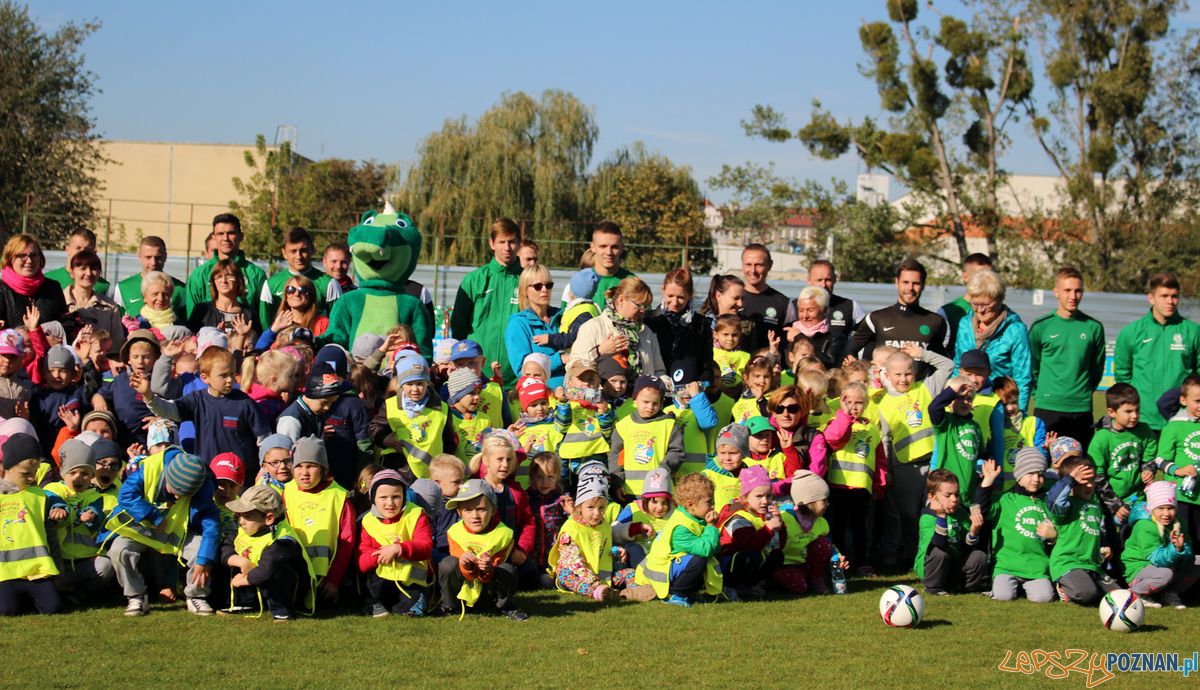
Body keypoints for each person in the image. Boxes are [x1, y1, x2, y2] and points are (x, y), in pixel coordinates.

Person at [102, 447, 220, 616]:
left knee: (201, 551)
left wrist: (204, 559)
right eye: (176, 492)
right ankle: (137, 596)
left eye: (186, 495)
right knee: (118, 550)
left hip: (177, 536)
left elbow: (211, 525)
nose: (179, 498)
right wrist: (153, 516)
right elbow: (126, 495)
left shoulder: (203, 483)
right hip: (141, 530)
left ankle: (196, 596)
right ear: (167, 478)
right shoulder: (149, 468)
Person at [876, 346, 955, 567]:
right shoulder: (883, 403)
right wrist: (889, 471)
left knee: (931, 511)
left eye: (908, 373)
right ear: (888, 375)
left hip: (933, 463)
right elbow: (885, 440)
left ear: (916, 372)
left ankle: (930, 552)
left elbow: (948, 366)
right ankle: (907, 555)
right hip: (905, 468)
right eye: (898, 374)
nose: (903, 379)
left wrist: (922, 354)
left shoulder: (926, 388)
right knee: (907, 515)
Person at [137, 346, 270, 471]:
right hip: (208, 473)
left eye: (232, 373)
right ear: (205, 378)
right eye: (223, 375)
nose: (230, 379)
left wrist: (265, 467)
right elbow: (168, 410)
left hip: (241, 476)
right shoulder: (197, 400)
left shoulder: (244, 402)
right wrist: (148, 395)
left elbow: (263, 438)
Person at [1028, 266, 1106, 445]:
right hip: (1047, 406)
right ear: (1056, 292)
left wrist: (1082, 392)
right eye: (1067, 290)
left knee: (1079, 466)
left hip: (1081, 407)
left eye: (1078, 291)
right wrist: (1043, 393)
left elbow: (1097, 368)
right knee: (1043, 463)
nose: (1073, 296)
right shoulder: (1042, 326)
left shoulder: (1093, 327)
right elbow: (1033, 365)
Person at [1114, 272, 1200, 431]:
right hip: (1143, 422)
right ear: (1151, 298)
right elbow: (1122, 376)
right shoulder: (1131, 332)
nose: (1170, 301)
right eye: (1164, 296)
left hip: (1181, 421)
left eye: (1174, 296)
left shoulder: (1193, 332)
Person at [437, 478, 527, 620]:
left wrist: (489, 568)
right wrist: (465, 565)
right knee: (447, 564)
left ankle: (506, 607)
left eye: (481, 509)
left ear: (493, 510)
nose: (475, 516)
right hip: (463, 588)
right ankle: (449, 605)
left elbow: (495, 567)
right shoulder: (454, 532)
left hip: (488, 590)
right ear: (459, 512)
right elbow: (458, 565)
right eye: (468, 510)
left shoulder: (504, 534)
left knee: (507, 569)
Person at [221, 484, 314, 620]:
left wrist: (243, 580)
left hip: (293, 591)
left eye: (247, 516)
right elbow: (226, 546)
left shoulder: (283, 541)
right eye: (240, 515)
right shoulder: (249, 527)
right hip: (258, 576)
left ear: (268, 518)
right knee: (231, 558)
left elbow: (267, 570)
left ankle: (283, 610)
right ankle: (244, 603)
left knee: (279, 570)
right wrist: (240, 561)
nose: (241, 521)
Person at [547, 464, 638, 602]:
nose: (597, 513)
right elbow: (575, 563)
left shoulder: (604, 526)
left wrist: (614, 551)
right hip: (579, 576)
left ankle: (632, 592)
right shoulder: (571, 529)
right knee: (565, 575)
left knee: (630, 573)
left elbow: (599, 550)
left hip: (603, 578)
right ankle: (596, 592)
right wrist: (595, 583)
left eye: (601, 508)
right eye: (590, 507)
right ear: (579, 507)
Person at [281, 437, 355, 603]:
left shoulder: (339, 496)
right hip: (295, 573)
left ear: (323, 469)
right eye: (299, 466)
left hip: (326, 577)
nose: (304, 472)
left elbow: (346, 542)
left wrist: (334, 579)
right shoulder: (287, 492)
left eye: (311, 466)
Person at [632, 472, 723, 607]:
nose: (713, 506)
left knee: (699, 559)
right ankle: (678, 595)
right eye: (709, 502)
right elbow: (706, 550)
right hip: (658, 576)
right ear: (691, 504)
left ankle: (689, 592)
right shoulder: (681, 527)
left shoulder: (692, 516)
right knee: (698, 560)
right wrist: (711, 526)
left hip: (671, 567)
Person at [450, 218, 523, 386]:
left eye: (512, 242)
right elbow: (459, 326)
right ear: (492, 244)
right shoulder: (474, 280)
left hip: (515, 377)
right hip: (476, 375)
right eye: (501, 242)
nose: (507, 247)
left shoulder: (527, 280)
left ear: (519, 244)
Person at [984, 448, 1057, 603]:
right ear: (1018, 475)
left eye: (1041, 475)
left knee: (1044, 598)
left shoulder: (1048, 502)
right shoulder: (1005, 499)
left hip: (1037, 567)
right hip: (1007, 565)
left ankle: (1026, 587)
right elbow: (982, 509)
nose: (1036, 479)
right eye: (1030, 473)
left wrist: (1053, 537)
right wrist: (987, 482)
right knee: (1004, 596)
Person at [952, 270, 1032, 411]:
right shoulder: (965, 324)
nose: (980, 310)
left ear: (999, 300)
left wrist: (1020, 416)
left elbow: (1022, 379)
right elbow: (958, 366)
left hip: (1000, 406)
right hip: (965, 404)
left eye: (986, 304)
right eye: (975, 304)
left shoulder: (1015, 331)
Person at [357, 469, 433, 617]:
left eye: (396, 497)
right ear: (373, 499)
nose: (390, 503)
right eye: (383, 497)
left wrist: (399, 549)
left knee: (412, 603)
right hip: (382, 580)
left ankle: (413, 605)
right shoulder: (368, 520)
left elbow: (425, 547)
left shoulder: (416, 514)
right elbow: (361, 560)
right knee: (371, 584)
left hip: (410, 582)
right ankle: (374, 604)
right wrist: (379, 555)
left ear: (404, 497)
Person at [0, 435, 61, 616]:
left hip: (37, 572)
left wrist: (58, 568)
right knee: (6, 611)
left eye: (35, 472)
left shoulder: (39, 495)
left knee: (54, 608)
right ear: (6, 468)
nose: (32, 477)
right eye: (25, 473)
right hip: (5, 573)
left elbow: (51, 535)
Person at [848, 258, 949, 367]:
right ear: (897, 283)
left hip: (921, 384)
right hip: (882, 384)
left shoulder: (936, 322)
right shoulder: (877, 318)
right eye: (905, 282)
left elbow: (942, 362)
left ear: (923, 285)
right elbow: (849, 351)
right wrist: (863, 374)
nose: (910, 288)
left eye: (916, 283)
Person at [1046, 452, 1114, 605]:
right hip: (1068, 564)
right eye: (1083, 481)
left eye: (1092, 480)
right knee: (1087, 594)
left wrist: (1103, 546)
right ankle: (1063, 587)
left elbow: (1097, 531)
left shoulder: (1095, 505)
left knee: (1118, 597)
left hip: (1092, 566)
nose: (1089, 485)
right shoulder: (1066, 505)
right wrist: (1069, 480)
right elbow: (1053, 500)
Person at [1122, 481, 1200, 609]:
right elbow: (1156, 559)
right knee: (1165, 573)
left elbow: (1187, 549)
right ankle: (1136, 592)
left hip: (1167, 565)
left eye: (1170, 508)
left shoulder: (1179, 523)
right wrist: (1176, 549)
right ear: (1152, 509)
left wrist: (1181, 550)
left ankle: (1168, 593)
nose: (1166, 513)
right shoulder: (1145, 525)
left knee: (1198, 562)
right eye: (1161, 508)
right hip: (1140, 566)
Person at [570, 277, 665, 379]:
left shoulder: (646, 332)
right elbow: (572, 367)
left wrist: (664, 382)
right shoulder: (592, 327)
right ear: (621, 300)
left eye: (646, 306)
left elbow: (658, 370)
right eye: (639, 305)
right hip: (602, 394)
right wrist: (599, 351)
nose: (643, 311)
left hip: (641, 393)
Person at [1088, 383, 1157, 525]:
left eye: (1137, 410)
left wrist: (1148, 469)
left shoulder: (1144, 430)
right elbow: (1097, 476)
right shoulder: (1102, 438)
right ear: (1111, 412)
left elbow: (1150, 458)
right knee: (1111, 542)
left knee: (1141, 531)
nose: (1135, 416)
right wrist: (1115, 505)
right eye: (1128, 411)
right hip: (1108, 501)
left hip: (1138, 498)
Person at [609, 375, 685, 500]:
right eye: (646, 402)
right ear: (634, 401)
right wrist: (617, 482)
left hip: (659, 490)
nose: (650, 407)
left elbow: (677, 452)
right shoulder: (623, 425)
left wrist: (662, 471)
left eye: (655, 403)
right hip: (629, 491)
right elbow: (616, 456)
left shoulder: (669, 424)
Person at [715, 465, 785, 599]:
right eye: (759, 496)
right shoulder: (738, 516)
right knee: (749, 555)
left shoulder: (761, 513)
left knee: (777, 555)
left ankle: (748, 586)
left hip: (750, 558)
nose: (765, 501)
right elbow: (748, 545)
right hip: (726, 564)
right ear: (745, 498)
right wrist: (768, 529)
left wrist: (780, 526)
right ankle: (729, 586)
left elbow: (779, 544)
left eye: (769, 496)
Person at [915, 468, 987, 595]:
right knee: (940, 553)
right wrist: (941, 517)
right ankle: (933, 588)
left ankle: (967, 587)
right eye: (948, 495)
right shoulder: (927, 517)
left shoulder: (960, 514)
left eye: (956, 494)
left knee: (979, 556)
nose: (954, 499)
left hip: (954, 563)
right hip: (933, 567)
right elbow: (939, 544)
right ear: (932, 497)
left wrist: (973, 532)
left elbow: (966, 548)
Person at [184, 214, 267, 320]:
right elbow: (192, 319)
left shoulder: (256, 275)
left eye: (231, 233)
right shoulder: (199, 275)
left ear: (241, 236)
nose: (225, 238)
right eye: (220, 234)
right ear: (214, 237)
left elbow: (262, 318)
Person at [773, 471, 843, 595]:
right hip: (783, 565)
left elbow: (830, 546)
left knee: (823, 543)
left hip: (804, 564)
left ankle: (817, 580)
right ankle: (770, 579)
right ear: (809, 502)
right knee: (799, 587)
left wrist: (837, 558)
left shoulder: (822, 523)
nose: (828, 504)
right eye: (823, 501)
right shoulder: (784, 518)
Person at [259, 227, 342, 327]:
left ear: (312, 250)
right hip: (282, 342)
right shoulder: (271, 284)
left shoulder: (329, 284)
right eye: (293, 251)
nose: (299, 256)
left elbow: (337, 324)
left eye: (303, 250)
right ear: (284, 253)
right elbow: (265, 326)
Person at [1155, 374, 1200, 546]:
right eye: (1197, 400)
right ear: (1183, 400)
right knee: (1181, 541)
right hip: (1180, 497)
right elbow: (1159, 460)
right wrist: (1178, 470)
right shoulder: (1174, 426)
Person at [644, 267, 714, 376]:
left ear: (690, 294)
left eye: (681, 297)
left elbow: (706, 365)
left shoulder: (701, 324)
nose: (675, 302)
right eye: (670, 296)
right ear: (663, 291)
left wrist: (700, 385)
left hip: (689, 388)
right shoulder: (649, 320)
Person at [505, 263, 565, 389]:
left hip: (574, 396)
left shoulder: (563, 317)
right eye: (538, 286)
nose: (544, 290)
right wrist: (561, 359)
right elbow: (522, 369)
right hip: (541, 399)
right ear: (525, 291)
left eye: (548, 285)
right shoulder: (518, 324)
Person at [928, 377, 984, 505]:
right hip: (945, 493)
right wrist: (953, 390)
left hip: (967, 493)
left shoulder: (975, 426)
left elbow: (980, 454)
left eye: (969, 398)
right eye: (959, 397)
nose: (965, 402)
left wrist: (984, 464)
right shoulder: (945, 423)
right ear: (949, 401)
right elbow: (934, 408)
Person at [0, 234, 68, 328]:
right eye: (22, 255)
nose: (29, 261)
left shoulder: (53, 288)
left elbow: (66, 324)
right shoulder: (2, 290)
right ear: (10, 258)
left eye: (34, 255)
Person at [114, 236, 186, 321]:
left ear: (165, 256)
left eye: (158, 257)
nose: (153, 262)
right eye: (148, 257)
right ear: (139, 255)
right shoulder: (123, 288)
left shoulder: (181, 289)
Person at [62, 249, 124, 349]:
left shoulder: (110, 307)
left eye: (94, 269)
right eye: (83, 268)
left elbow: (116, 345)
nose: (89, 273)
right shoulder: (59, 301)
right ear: (72, 272)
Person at [186, 258, 262, 338]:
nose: (224, 280)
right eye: (219, 277)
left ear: (238, 281)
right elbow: (190, 340)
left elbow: (257, 345)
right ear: (213, 282)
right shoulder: (201, 311)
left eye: (229, 276)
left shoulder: (250, 315)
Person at [740, 244, 792, 352]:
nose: (753, 270)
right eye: (748, 264)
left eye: (759, 265)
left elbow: (788, 344)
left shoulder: (783, 303)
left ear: (770, 265)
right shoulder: (731, 299)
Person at [783, 286, 847, 369]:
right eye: (801, 310)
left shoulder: (836, 339)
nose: (805, 316)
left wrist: (800, 338)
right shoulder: (788, 334)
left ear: (824, 310)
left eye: (810, 310)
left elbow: (830, 364)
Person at [939, 253, 994, 349]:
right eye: (980, 277)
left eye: (989, 276)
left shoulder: (999, 311)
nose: (986, 281)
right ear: (965, 277)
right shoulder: (947, 312)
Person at [801, 260, 863, 339]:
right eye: (819, 280)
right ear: (808, 280)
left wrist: (852, 350)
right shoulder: (794, 307)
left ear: (834, 280)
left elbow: (868, 337)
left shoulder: (850, 307)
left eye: (828, 280)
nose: (823, 285)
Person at [584, 221, 634, 310]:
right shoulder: (578, 283)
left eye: (614, 247)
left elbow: (644, 320)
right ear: (593, 247)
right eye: (603, 246)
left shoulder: (633, 284)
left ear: (622, 248)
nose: (609, 252)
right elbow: (565, 320)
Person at [45, 228, 110, 295]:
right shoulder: (48, 279)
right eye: (78, 248)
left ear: (94, 252)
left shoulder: (103, 286)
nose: (82, 252)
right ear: (67, 249)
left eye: (87, 249)